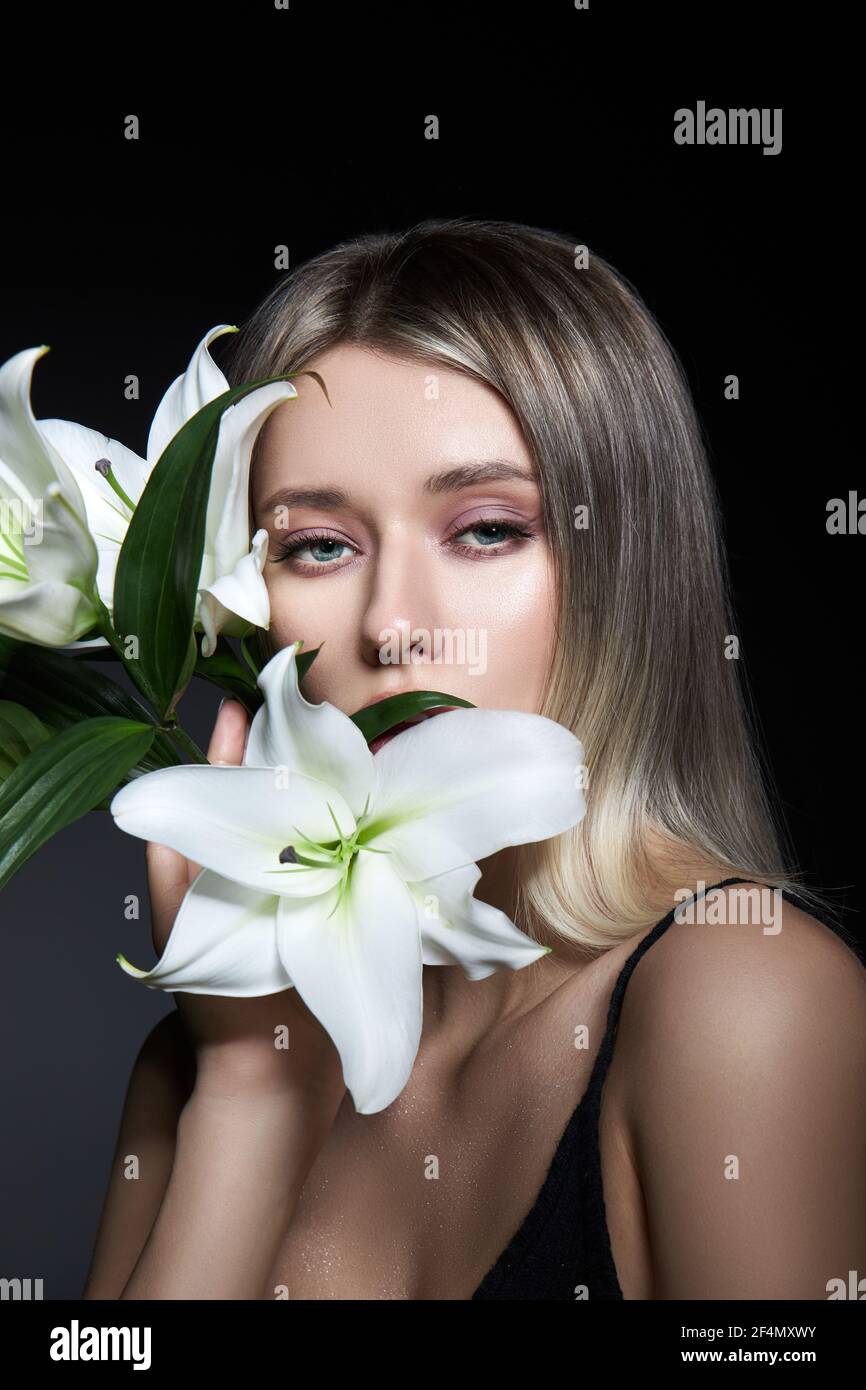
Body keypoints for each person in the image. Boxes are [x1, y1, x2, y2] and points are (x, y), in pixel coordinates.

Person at [82, 219, 866, 1300]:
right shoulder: (198, 1062)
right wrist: (249, 1099)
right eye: (319, 545)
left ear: (620, 568)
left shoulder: (740, 995)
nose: (396, 628)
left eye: (486, 529)